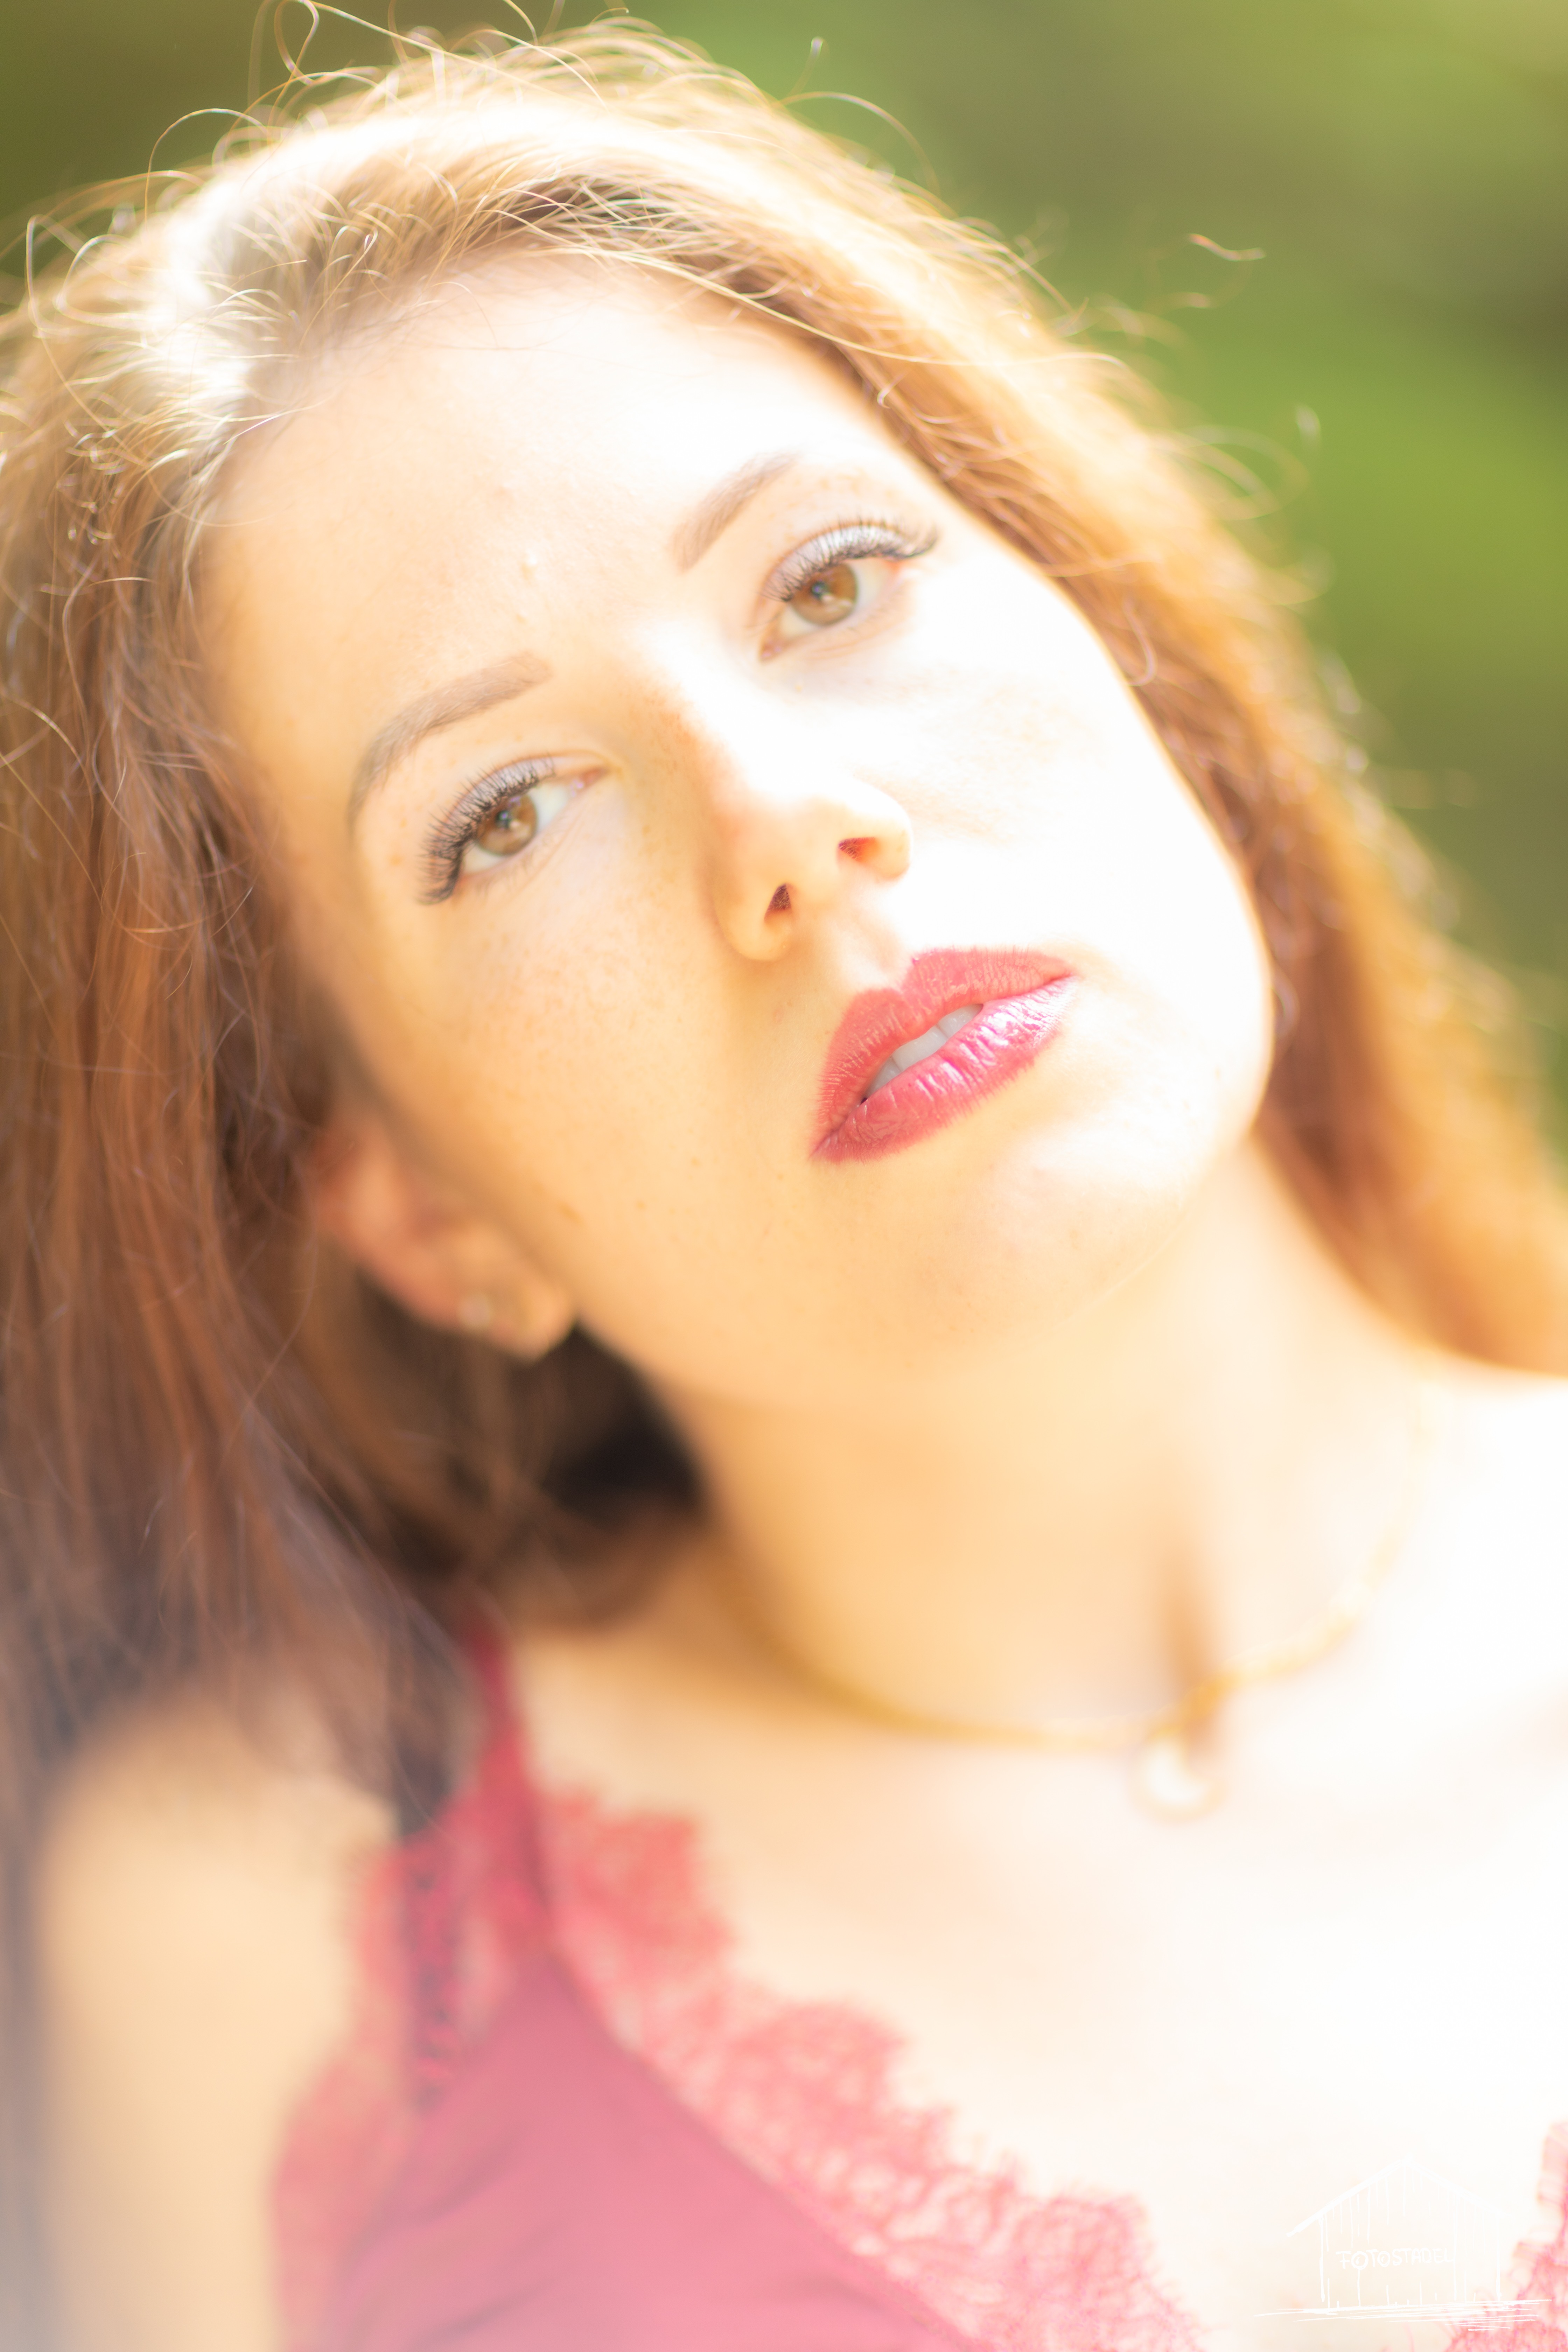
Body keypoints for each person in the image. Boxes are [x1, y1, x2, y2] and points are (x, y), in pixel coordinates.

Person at [5, 26, 1568, 2352]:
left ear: (1128, 650)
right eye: (505, 814)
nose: (790, 823)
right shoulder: (278, 1953)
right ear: (415, 1206)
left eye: (833, 581)